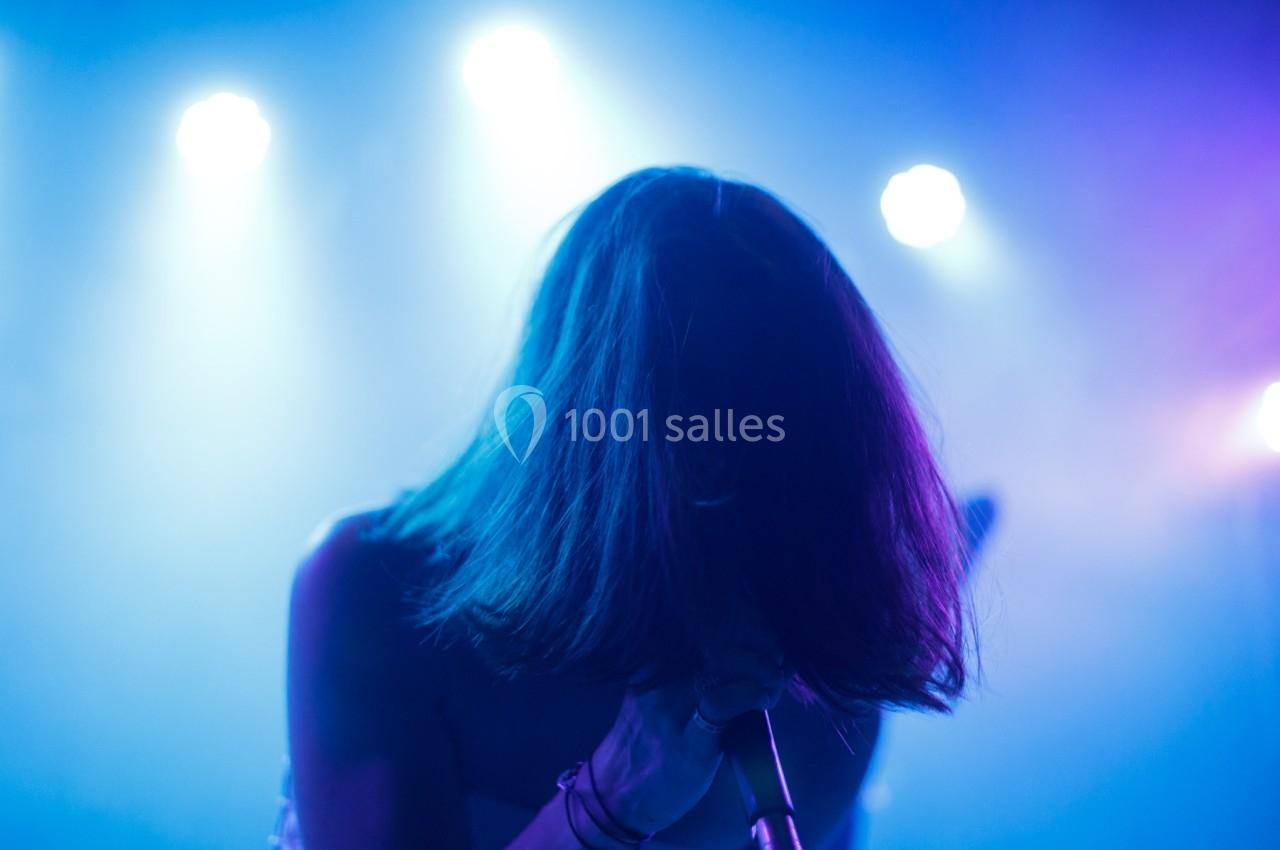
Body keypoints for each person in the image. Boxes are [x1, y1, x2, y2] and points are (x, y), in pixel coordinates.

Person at [283, 167, 971, 850]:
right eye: (701, 427)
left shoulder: (825, 704)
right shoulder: (376, 587)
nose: (733, 483)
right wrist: (613, 800)